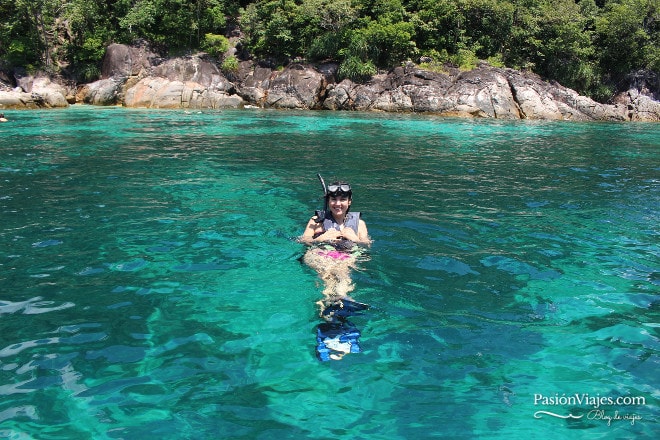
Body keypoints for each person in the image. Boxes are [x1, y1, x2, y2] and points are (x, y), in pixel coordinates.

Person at [300, 179, 371, 360]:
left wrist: (354, 238)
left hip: (344, 258)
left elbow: (367, 244)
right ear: (328, 200)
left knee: (342, 272)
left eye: (342, 199)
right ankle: (336, 305)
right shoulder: (317, 220)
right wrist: (320, 238)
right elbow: (301, 241)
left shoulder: (359, 223)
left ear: (349, 201)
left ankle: (334, 310)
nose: (337, 204)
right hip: (320, 256)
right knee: (328, 274)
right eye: (333, 199)